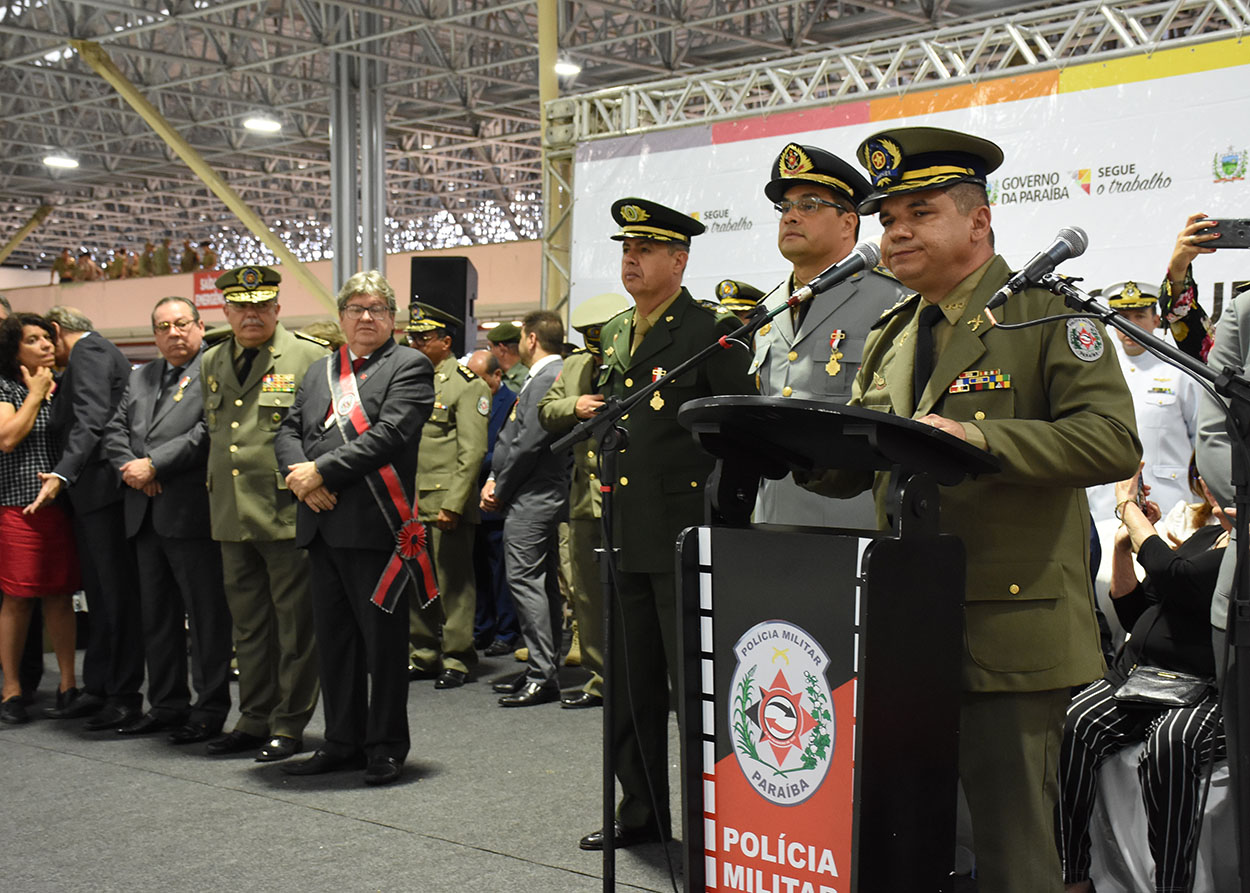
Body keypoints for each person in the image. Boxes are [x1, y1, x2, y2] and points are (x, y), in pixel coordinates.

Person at [796, 127, 1140, 891]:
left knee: (1014, 851)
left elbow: (1113, 441)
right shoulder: (895, 331)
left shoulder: (1045, 315)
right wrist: (788, 449)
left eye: (919, 212)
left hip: (1008, 627)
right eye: (888, 219)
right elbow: (870, 455)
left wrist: (977, 438)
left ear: (978, 221)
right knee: (916, 833)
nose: (898, 232)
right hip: (903, 624)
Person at [579, 198, 755, 851]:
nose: (632, 258)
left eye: (646, 249)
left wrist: (725, 527)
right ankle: (642, 811)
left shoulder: (709, 332)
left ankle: (713, 819)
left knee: (695, 693)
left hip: (685, 535)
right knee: (630, 686)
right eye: (627, 248)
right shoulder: (621, 332)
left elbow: (741, 431)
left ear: (679, 260)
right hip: (624, 530)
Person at [275, 270, 434, 786]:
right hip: (321, 522)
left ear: (392, 318)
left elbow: (389, 435)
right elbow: (288, 430)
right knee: (335, 643)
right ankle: (342, 741)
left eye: (377, 309)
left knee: (383, 646)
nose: (366, 317)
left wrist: (320, 471)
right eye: (356, 308)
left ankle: (386, 745)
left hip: (376, 526)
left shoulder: (408, 365)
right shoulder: (320, 370)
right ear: (341, 316)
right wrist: (301, 480)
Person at [1057, 468, 1227, 893]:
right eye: (1204, 478)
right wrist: (1120, 546)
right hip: (1141, 673)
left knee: (1172, 742)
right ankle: (1071, 874)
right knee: (1077, 720)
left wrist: (1128, 507)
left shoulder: (1239, 550)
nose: (1209, 485)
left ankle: (1172, 884)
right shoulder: (1204, 538)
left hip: (1206, 687)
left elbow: (1177, 577)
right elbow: (1136, 611)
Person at [200, 265, 327, 761]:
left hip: (284, 509)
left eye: (260, 306)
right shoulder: (213, 359)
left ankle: (289, 724)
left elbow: (318, 433)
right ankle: (253, 717)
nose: (250, 314)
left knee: (295, 626)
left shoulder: (309, 356)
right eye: (240, 307)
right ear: (227, 311)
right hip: (231, 512)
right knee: (248, 626)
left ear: (277, 308)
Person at [752, 141, 907, 527]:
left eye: (809, 205)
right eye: (785, 207)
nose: (790, 217)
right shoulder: (769, 309)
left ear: (848, 222)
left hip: (852, 519)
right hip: (774, 516)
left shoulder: (893, 299)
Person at [101, 297, 233, 743]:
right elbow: (114, 430)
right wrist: (134, 471)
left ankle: (209, 707)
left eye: (181, 324)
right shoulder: (143, 376)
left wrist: (155, 465)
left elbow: (208, 431)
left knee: (206, 616)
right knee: (156, 618)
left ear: (199, 326)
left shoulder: (215, 369)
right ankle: (166, 705)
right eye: (163, 327)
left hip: (191, 512)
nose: (173, 334)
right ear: (154, 334)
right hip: (144, 512)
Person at [32, 306, 144, 730]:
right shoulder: (87, 355)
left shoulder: (89, 351)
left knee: (116, 599)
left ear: (58, 330)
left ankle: (122, 695)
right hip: (93, 496)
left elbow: (92, 417)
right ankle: (100, 688)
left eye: (47, 339)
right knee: (100, 597)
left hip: (103, 492)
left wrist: (63, 471)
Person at [537, 291, 632, 709]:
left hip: (629, 494)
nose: (597, 355)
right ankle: (601, 680)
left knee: (633, 592)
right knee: (589, 595)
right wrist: (573, 406)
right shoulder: (574, 365)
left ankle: (642, 679)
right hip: (582, 499)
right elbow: (545, 409)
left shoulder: (637, 360)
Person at [480, 309, 570, 708]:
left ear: (531, 339)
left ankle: (541, 673)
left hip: (533, 492)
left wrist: (500, 484)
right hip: (536, 491)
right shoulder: (548, 375)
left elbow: (528, 443)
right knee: (542, 583)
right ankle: (543, 664)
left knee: (526, 582)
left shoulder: (547, 376)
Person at [0, 314, 81, 724]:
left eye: (47, 338)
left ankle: (68, 684)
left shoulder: (63, 387)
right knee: (17, 599)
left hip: (58, 509)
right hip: (16, 505)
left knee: (60, 595)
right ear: (15, 350)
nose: (46, 345)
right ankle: (12, 689)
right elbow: (7, 438)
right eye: (33, 340)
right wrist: (33, 393)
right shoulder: (6, 387)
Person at [405, 303, 489, 689]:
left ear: (446, 341)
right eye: (413, 336)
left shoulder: (465, 384)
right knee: (416, 580)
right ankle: (423, 653)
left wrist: (455, 503)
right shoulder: (407, 379)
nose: (417, 342)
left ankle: (457, 657)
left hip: (445, 501)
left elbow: (471, 451)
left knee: (453, 583)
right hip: (409, 500)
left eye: (425, 337)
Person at [1087, 280, 1199, 524]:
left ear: (1156, 320)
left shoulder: (1180, 372)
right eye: (1122, 316)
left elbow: (1201, 443)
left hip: (1173, 507)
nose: (1130, 325)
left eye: (1139, 316)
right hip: (1107, 507)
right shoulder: (1096, 372)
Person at [466, 349, 521, 657]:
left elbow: (509, 449)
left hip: (496, 495)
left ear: (496, 375)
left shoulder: (511, 402)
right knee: (476, 571)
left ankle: (507, 630)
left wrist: (472, 460)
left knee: (501, 571)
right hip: (470, 496)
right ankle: (482, 628)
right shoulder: (472, 400)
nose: (472, 384)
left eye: (479, 378)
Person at [487, 321, 528, 393]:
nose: (489, 352)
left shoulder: (524, 377)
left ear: (502, 349)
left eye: (490, 348)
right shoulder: (502, 375)